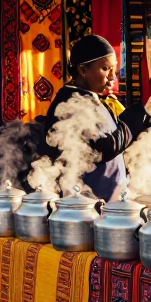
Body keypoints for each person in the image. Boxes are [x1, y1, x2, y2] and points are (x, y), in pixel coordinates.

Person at [41, 35, 131, 203]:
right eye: (105, 68)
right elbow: (96, 151)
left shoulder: (93, 99)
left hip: (109, 200)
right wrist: (130, 127)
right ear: (83, 70)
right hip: (86, 205)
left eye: (113, 69)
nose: (112, 76)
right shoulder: (69, 104)